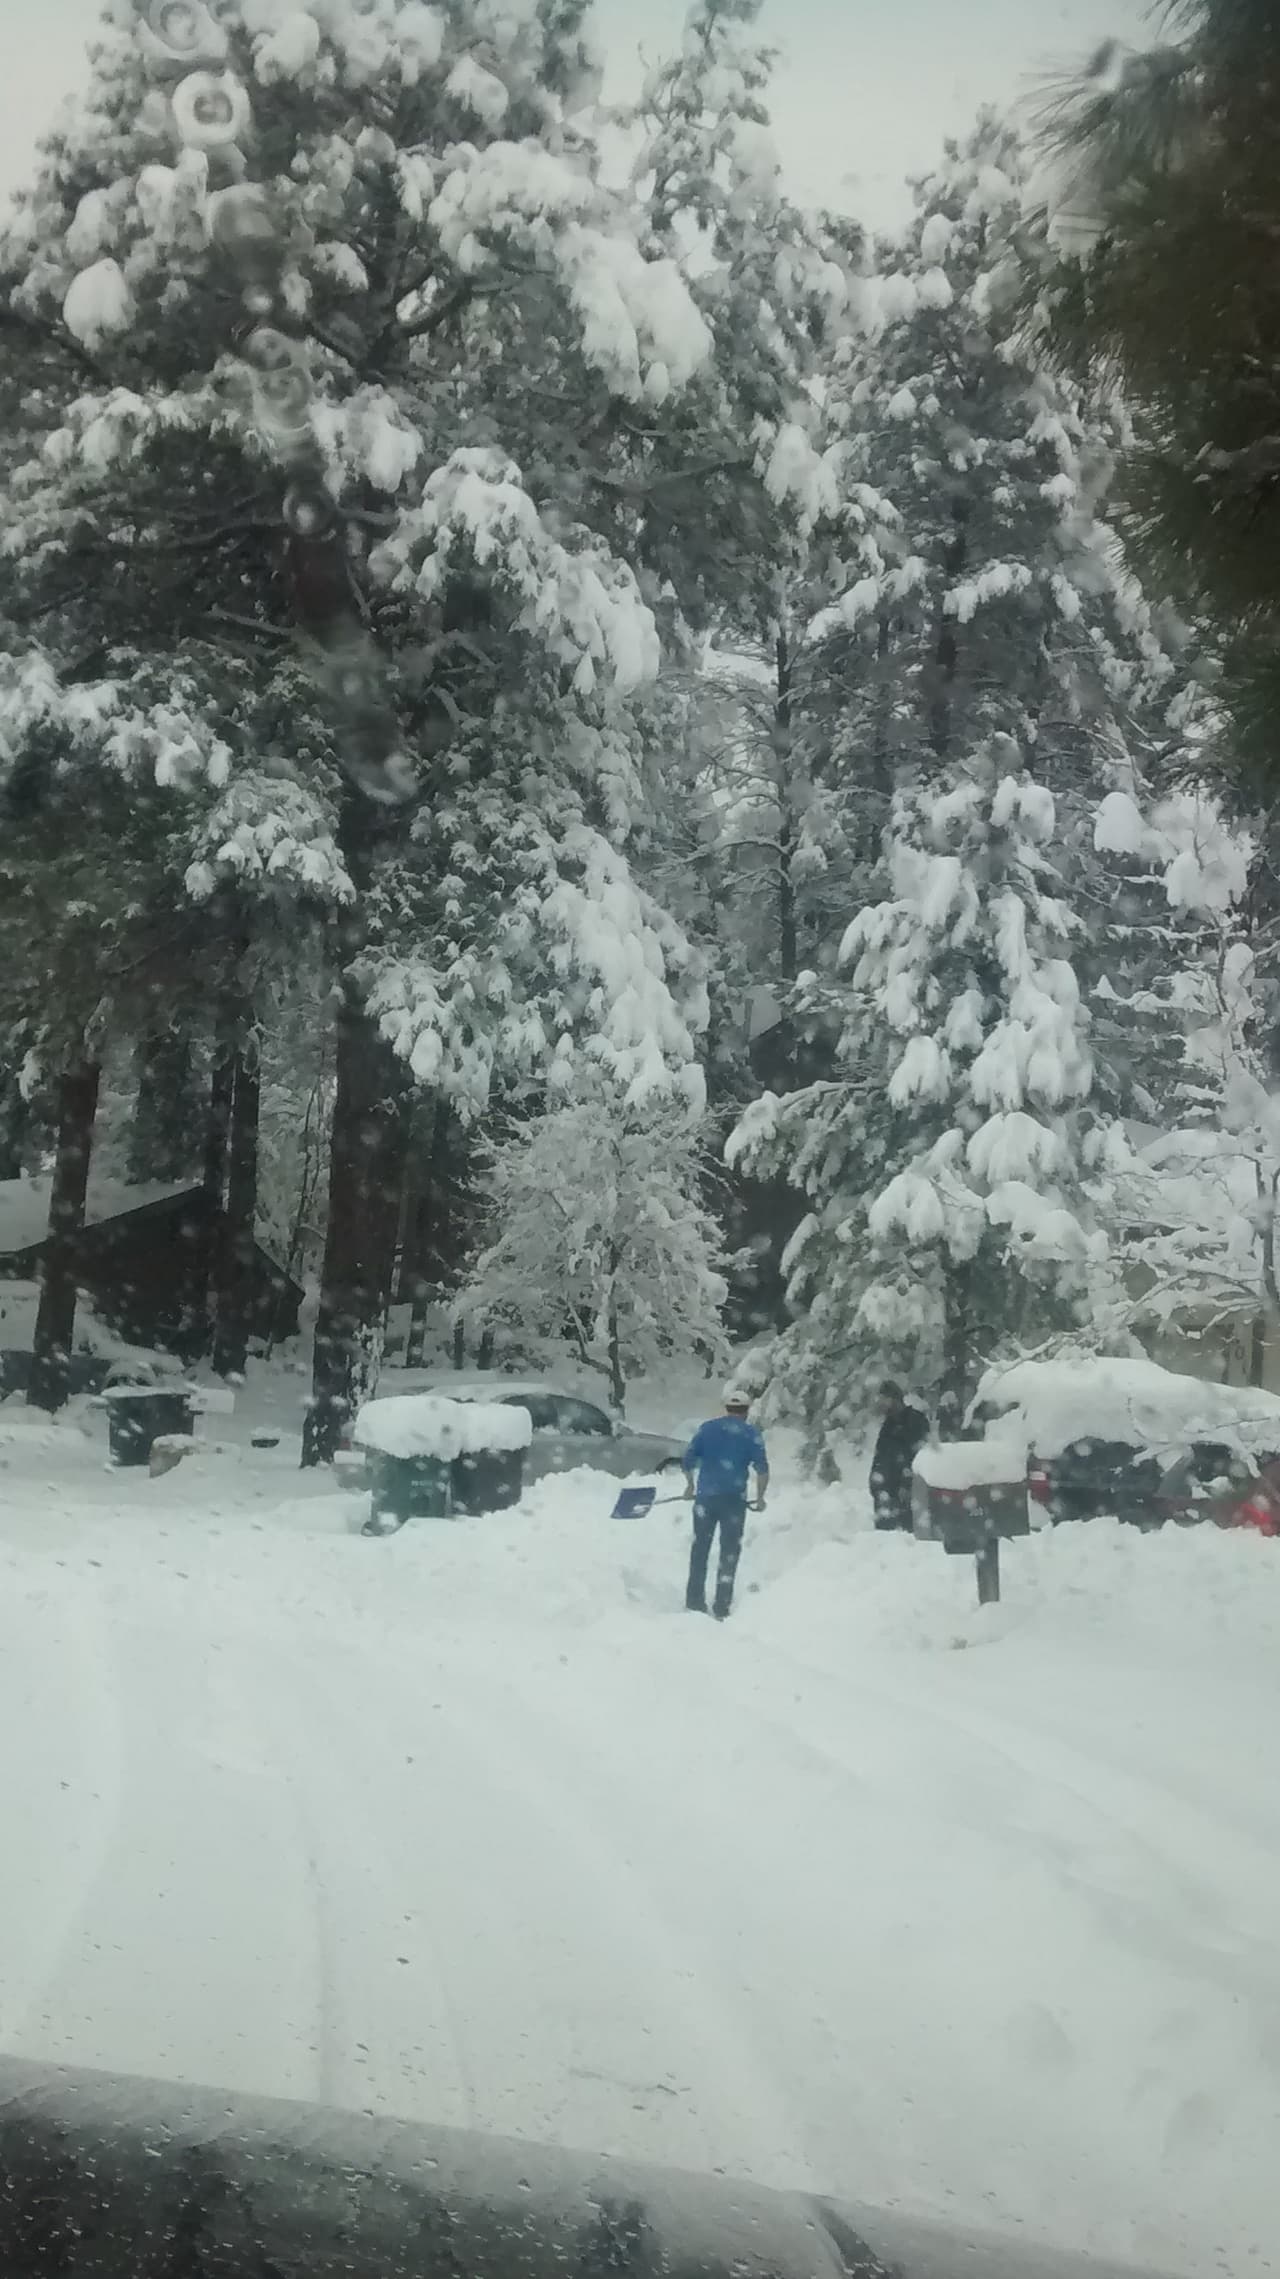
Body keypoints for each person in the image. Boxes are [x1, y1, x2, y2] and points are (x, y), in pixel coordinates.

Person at [681, 1387, 768, 1620]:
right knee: (729, 1552)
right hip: (734, 1502)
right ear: (747, 1411)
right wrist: (760, 1498)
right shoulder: (751, 1434)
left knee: (700, 1549)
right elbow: (762, 1470)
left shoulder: (707, 1429)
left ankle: (694, 1601)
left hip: (705, 1499)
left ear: (727, 1408)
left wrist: (690, 1486)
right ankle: (721, 1605)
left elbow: (687, 1460)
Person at [870, 1380, 928, 1531]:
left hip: (907, 1500)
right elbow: (880, 1460)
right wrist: (876, 1488)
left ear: (895, 1399)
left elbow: (921, 1457)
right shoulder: (887, 1427)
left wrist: (906, 1484)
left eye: (885, 1399)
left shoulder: (916, 1421)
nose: (882, 1404)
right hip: (885, 1501)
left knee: (906, 1544)